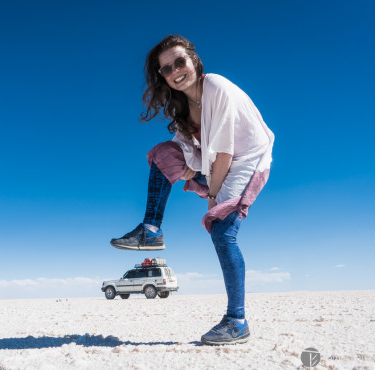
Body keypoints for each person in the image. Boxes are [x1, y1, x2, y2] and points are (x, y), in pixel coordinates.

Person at [110, 35, 274, 345]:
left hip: (247, 160)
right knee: (162, 152)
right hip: (215, 162)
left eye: (180, 61)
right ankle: (150, 228)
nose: (175, 71)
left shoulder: (217, 87)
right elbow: (189, 147)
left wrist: (212, 193)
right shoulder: (182, 106)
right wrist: (188, 163)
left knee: (222, 230)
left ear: (194, 61)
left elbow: (225, 151)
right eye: (166, 68)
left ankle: (237, 320)